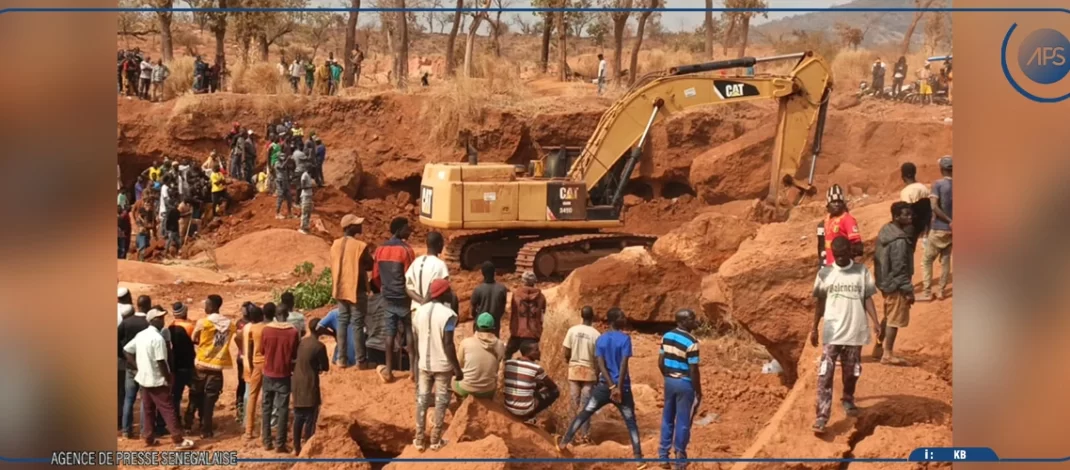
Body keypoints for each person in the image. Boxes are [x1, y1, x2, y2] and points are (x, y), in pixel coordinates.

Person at [809, 237, 882, 434]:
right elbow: (820, 303)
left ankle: (848, 399)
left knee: (852, 371)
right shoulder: (825, 273)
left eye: (843, 254)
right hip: (832, 332)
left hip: (854, 330)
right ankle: (822, 416)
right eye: (837, 255)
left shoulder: (861, 271)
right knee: (825, 373)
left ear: (850, 251)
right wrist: (814, 328)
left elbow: (867, 298)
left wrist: (875, 322)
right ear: (833, 253)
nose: (840, 258)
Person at [556, 307, 643, 466]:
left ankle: (564, 442)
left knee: (585, 412)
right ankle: (638, 458)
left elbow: (601, 365)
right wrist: (617, 387)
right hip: (622, 388)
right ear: (614, 320)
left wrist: (610, 386)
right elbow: (623, 365)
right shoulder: (625, 339)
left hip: (604, 387)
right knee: (631, 422)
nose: (624, 319)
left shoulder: (601, 339)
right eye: (622, 317)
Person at [123, 308, 196, 449]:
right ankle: (178, 439)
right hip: (156, 379)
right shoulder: (158, 338)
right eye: (160, 318)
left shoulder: (141, 335)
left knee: (148, 409)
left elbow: (127, 350)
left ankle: (148, 438)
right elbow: (161, 361)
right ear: (153, 320)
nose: (162, 321)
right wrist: (167, 378)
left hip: (144, 378)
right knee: (168, 409)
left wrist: (138, 366)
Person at [410, 279, 461, 451]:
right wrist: (457, 368)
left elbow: (416, 339)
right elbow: (448, 344)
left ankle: (419, 440)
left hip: (424, 363)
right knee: (441, 401)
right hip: (442, 366)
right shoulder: (449, 315)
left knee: (422, 399)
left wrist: (418, 360)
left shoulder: (418, 312)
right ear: (443, 293)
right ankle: (435, 441)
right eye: (448, 291)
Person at [373, 217, 416, 383]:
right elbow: (410, 276)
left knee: (390, 333)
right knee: (409, 330)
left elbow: (376, 276)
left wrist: (384, 288)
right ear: (399, 230)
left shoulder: (380, 250)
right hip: (404, 297)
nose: (410, 231)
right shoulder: (406, 250)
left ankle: (389, 371)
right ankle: (412, 371)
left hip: (388, 297)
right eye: (407, 228)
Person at [658, 309, 702, 469]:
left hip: (669, 381)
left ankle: (663, 456)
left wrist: (668, 376)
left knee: (667, 418)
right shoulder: (692, 342)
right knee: (683, 421)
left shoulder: (666, 336)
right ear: (682, 321)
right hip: (685, 383)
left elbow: (660, 361)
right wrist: (698, 390)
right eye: (691, 318)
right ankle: (680, 458)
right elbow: (693, 369)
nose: (695, 321)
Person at [188, 295, 236, 439]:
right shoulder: (230, 324)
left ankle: (188, 425)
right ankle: (206, 430)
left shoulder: (203, 322)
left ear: (212, 306)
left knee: (195, 396)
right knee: (209, 401)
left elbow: (193, 338)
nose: (205, 307)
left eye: (207, 304)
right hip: (217, 367)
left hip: (201, 364)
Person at [873, 202, 915, 366]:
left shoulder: (886, 231)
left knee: (889, 315)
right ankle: (888, 354)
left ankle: (878, 348)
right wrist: (908, 290)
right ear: (897, 216)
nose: (910, 217)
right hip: (895, 284)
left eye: (910, 214)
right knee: (894, 319)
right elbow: (899, 269)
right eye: (906, 214)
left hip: (885, 282)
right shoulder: (899, 240)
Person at [330, 215, 374, 369]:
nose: (360, 226)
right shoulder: (360, 246)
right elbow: (370, 265)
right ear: (349, 227)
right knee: (357, 324)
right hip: (356, 289)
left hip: (340, 288)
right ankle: (360, 361)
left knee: (342, 321)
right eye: (357, 224)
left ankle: (341, 359)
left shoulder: (335, 244)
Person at [261, 301, 301, 452]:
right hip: (284, 374)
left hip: (268, 372)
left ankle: (266, 441)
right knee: (283, 409)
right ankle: (280, 444)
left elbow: (262, 350)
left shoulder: (266, 330)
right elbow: (295, 354)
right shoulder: (293, 332)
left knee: (266, 407)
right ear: (287, 314)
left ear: (275, 315)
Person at [562, 306, 601, 444]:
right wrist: (597, 374)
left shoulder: (572, 330)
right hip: (589, 372)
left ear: (581, 316)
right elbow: (598, 358)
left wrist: (569, 361)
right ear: (592, 317)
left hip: (574, 370)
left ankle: (570, 436)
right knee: (586, 405)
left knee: (574, 403)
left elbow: (566, 351)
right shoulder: (596, 334)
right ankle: (585, 436)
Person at [293, 318, 330, 456]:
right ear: (320, 330)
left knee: (298, 416)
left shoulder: (302, 342)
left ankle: (296, 447)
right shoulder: (319, 346)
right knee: (310, 418)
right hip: (310, 383)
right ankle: (307, 447)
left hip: (297, 382)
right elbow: (325, 367)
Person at [119, 294, 152, 438]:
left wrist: (123, 355)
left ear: (137, 305)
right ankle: (144, 430)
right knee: (145, 399)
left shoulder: (127, 322)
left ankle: (126, 430)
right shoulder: (149, 323)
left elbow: (115, 339)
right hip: (145, 366)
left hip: (130, 365)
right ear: (149, 306)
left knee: (129, 398)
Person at [920, 156, 953, 301]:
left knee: (927, 260)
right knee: (945, 260)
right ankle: (941, 291)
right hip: (952, 230)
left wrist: (949, 220)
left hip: (939, 227)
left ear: (941, 169)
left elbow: (934, 206)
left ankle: (927, 292)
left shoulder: (938, 185)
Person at [504, 341, 560, 424]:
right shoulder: (536, 368)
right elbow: (553, 386)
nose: (539, 352)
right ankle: (530, 416)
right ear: (528, 353)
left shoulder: (509, 363)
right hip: (523, 410)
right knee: (555, 392)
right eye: (536, 350)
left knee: (533, 385)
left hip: (508, 406)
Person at [454, 312, 505, 400]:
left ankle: (462, 401)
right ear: (493, 327)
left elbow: (460, 364)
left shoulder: (466, 343)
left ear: (476, 326)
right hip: (488, 390)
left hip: (466, 388)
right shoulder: (500, 345)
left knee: (451, 380)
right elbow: (498, 367)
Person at [167, 302, 197, 430]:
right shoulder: (189, 327)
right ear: (185, 313)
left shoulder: (170, 327)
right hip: (189, 365)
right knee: (195, 392)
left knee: (176, 396)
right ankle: (189, 418)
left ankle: (176, 421)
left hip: (176, 366)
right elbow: (197, 341)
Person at [405, 231, 450, 315]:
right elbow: (436, 290)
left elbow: (408, 288)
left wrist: (421, 302)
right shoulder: (440, 265)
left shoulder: (416, 262)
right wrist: (424, 304)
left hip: (416, 311)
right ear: (439, 244)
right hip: (431, 312)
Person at [506, 271, 546, 359]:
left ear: (523, 281)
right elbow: (542, 315)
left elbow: (513, 311)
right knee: (530, 362)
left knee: (506, 355)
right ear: (534, 282)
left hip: (517, 332)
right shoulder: (541, 297)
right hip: (533, 334)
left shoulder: (516, 294)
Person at [243, 303, 269, 439]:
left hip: (256, 363)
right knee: (267, 397)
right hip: (268, 364)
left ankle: (249, 431)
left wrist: (250, 366)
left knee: (252, 396)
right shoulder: (267, 328)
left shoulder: (250, 329)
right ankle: (264, 431)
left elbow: (248, 349)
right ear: (262, 316)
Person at [820, 184, 863, 267]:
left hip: (843, 266)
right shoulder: (827, 219)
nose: (836, 204)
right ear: (828, 204)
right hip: (830, 265)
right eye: (833, 202)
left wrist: (854, 267)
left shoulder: (847, 219)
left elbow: (857, 246)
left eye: (839, 201)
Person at [899, 162, 932, 256]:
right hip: (925, 227)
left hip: (913, 229)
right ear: (915, 173)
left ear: (903, 176)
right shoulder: (924, 188)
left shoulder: (905, 192)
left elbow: (906, 212)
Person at [470, 261, 509, 338]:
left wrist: (476, 317)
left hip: (480, 324)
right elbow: (502, 307)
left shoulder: (478, 289)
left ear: (482, 273)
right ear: (494, 273)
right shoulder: (502, 289)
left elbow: (472, 308)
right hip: (495, 324)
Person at [274, 149, 294, 219]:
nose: (283, 157)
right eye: (281, 156)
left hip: (285, 181)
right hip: (280, 182)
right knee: (280, 197)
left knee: (289, 197)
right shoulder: (277, 163)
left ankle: (290, 213)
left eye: (283, 156)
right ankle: (277, 213)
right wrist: (287, 160)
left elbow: (289, 168)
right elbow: (281, 167)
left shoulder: (284, 163)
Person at [298, 169, 315, 235]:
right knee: (305, 212)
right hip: (305, 195)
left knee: (308, 212)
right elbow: (302, 186)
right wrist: (310, 186)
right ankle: (302, 227)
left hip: (309, 195)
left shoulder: (309, 175)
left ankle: (306, 227)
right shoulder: (304, 175)